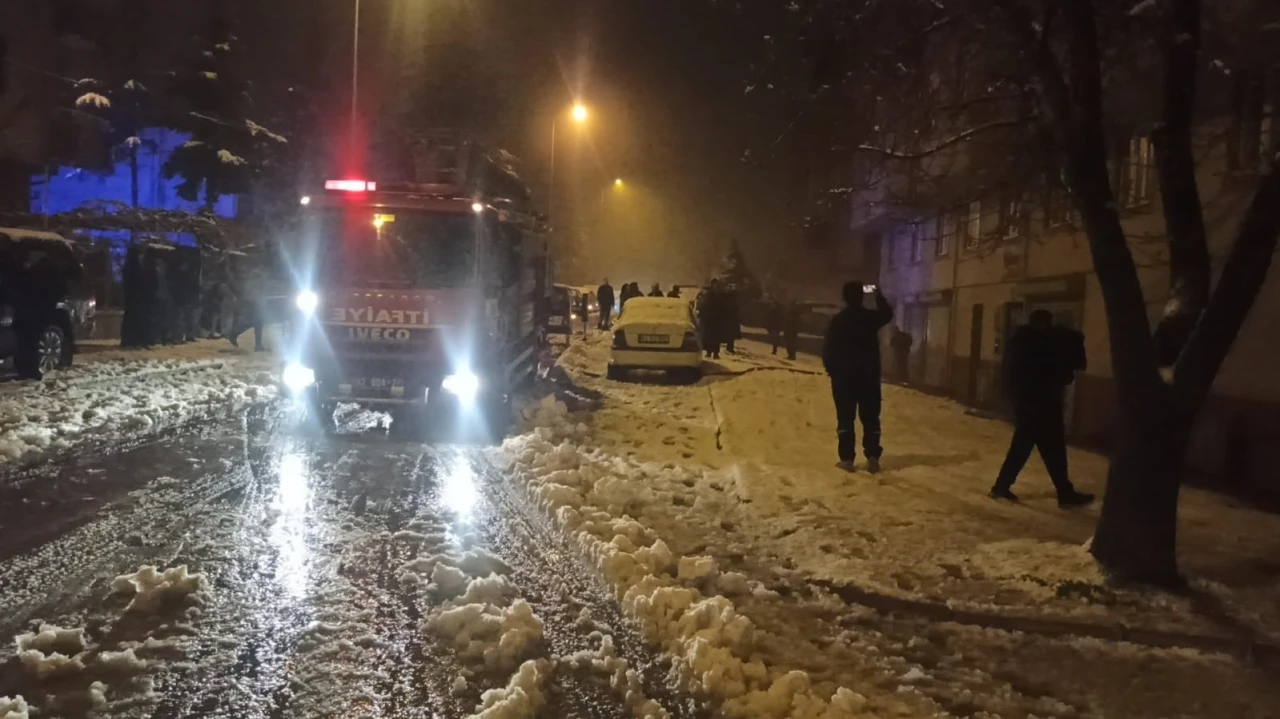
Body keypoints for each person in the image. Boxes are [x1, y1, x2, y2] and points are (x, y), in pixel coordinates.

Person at [990, 310, 1094, 507]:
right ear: (1044, 323)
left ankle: (1003, 487)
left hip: (1029, 406)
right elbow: (1057, 375)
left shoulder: (1020, 344)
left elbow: (1014, 377)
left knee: (1027, 449)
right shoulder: (1039, 346)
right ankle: (1064, 493)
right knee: (1050, 450)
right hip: (1043, 407)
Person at [822, 281, 893, 473]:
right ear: (862, 297)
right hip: (868, 377)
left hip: (844, 379)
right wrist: (878, 295)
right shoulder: (870, 318)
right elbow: (887, 314)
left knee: (845, 418)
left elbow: (828, 350)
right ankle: (872, 457)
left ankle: (846, 459)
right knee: (871, 418)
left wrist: (833, 371)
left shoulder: (838, 321)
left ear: (844, 297)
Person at [697, 281, 722, 359]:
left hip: (712, 319)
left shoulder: (713, 295)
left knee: (713, 337)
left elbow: (701, 305)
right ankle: (711, 352)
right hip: (711, 319)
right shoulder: (713, 295)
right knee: (711, 337)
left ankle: (713, 353)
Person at [722, 285, 741, 354]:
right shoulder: (732, 299)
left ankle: (729, 348)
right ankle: (729, 348)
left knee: (730, 335)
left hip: (730, 320)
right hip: (731, 320)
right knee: (730, 336)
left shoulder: (729, 299)